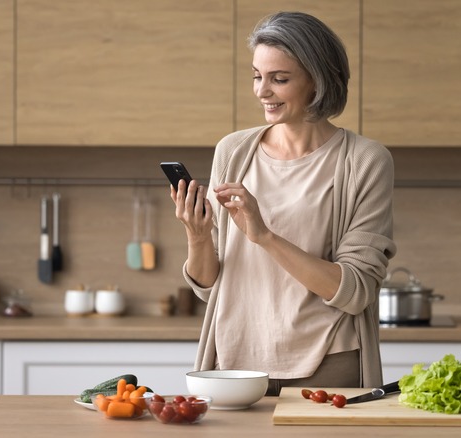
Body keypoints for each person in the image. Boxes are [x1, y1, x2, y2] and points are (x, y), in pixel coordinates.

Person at [169, 11, 396, 395]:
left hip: (325, 365)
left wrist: (264, 236)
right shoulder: (233, 151)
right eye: (258, 76)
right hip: (234, 363)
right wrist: (198, 235)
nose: (262, 91)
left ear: (318, 81)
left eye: (280, 79)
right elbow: (208, 287)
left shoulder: (364, 161)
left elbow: (356, 291)